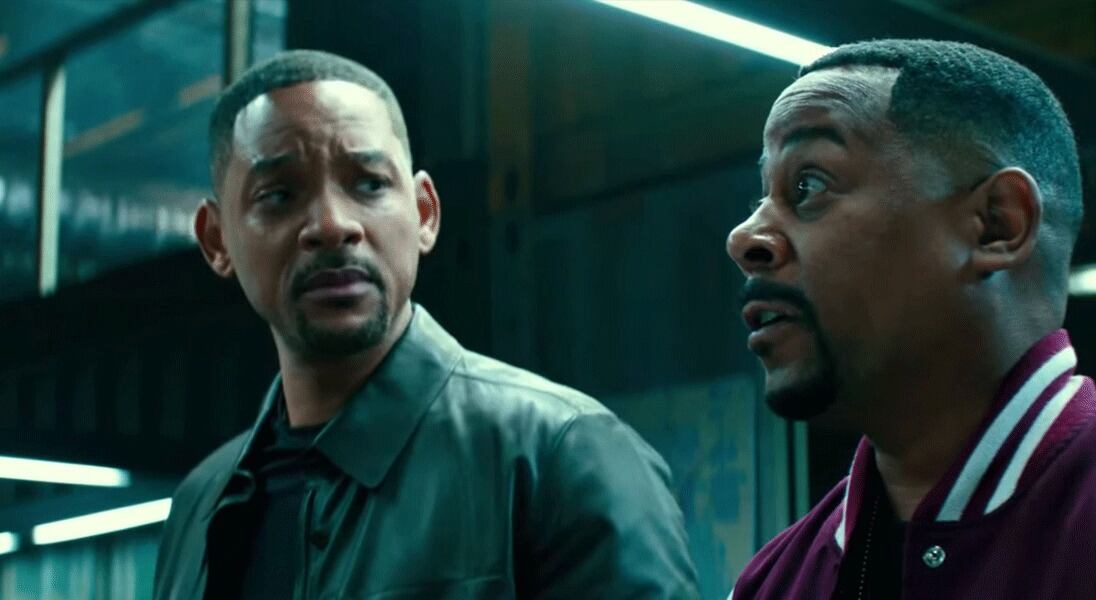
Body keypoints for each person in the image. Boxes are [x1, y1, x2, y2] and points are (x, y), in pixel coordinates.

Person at [153, 49, 698, 600]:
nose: (332, 225)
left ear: (425, 213)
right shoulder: (201, 503)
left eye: (369, 184)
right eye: (279, 195)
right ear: (217, 241)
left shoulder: (561, 455)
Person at [725, 39, 1096, 599]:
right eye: (763, 196)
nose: (744, 238)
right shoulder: (768, 584)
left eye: (808, 185)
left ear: (998, 224)